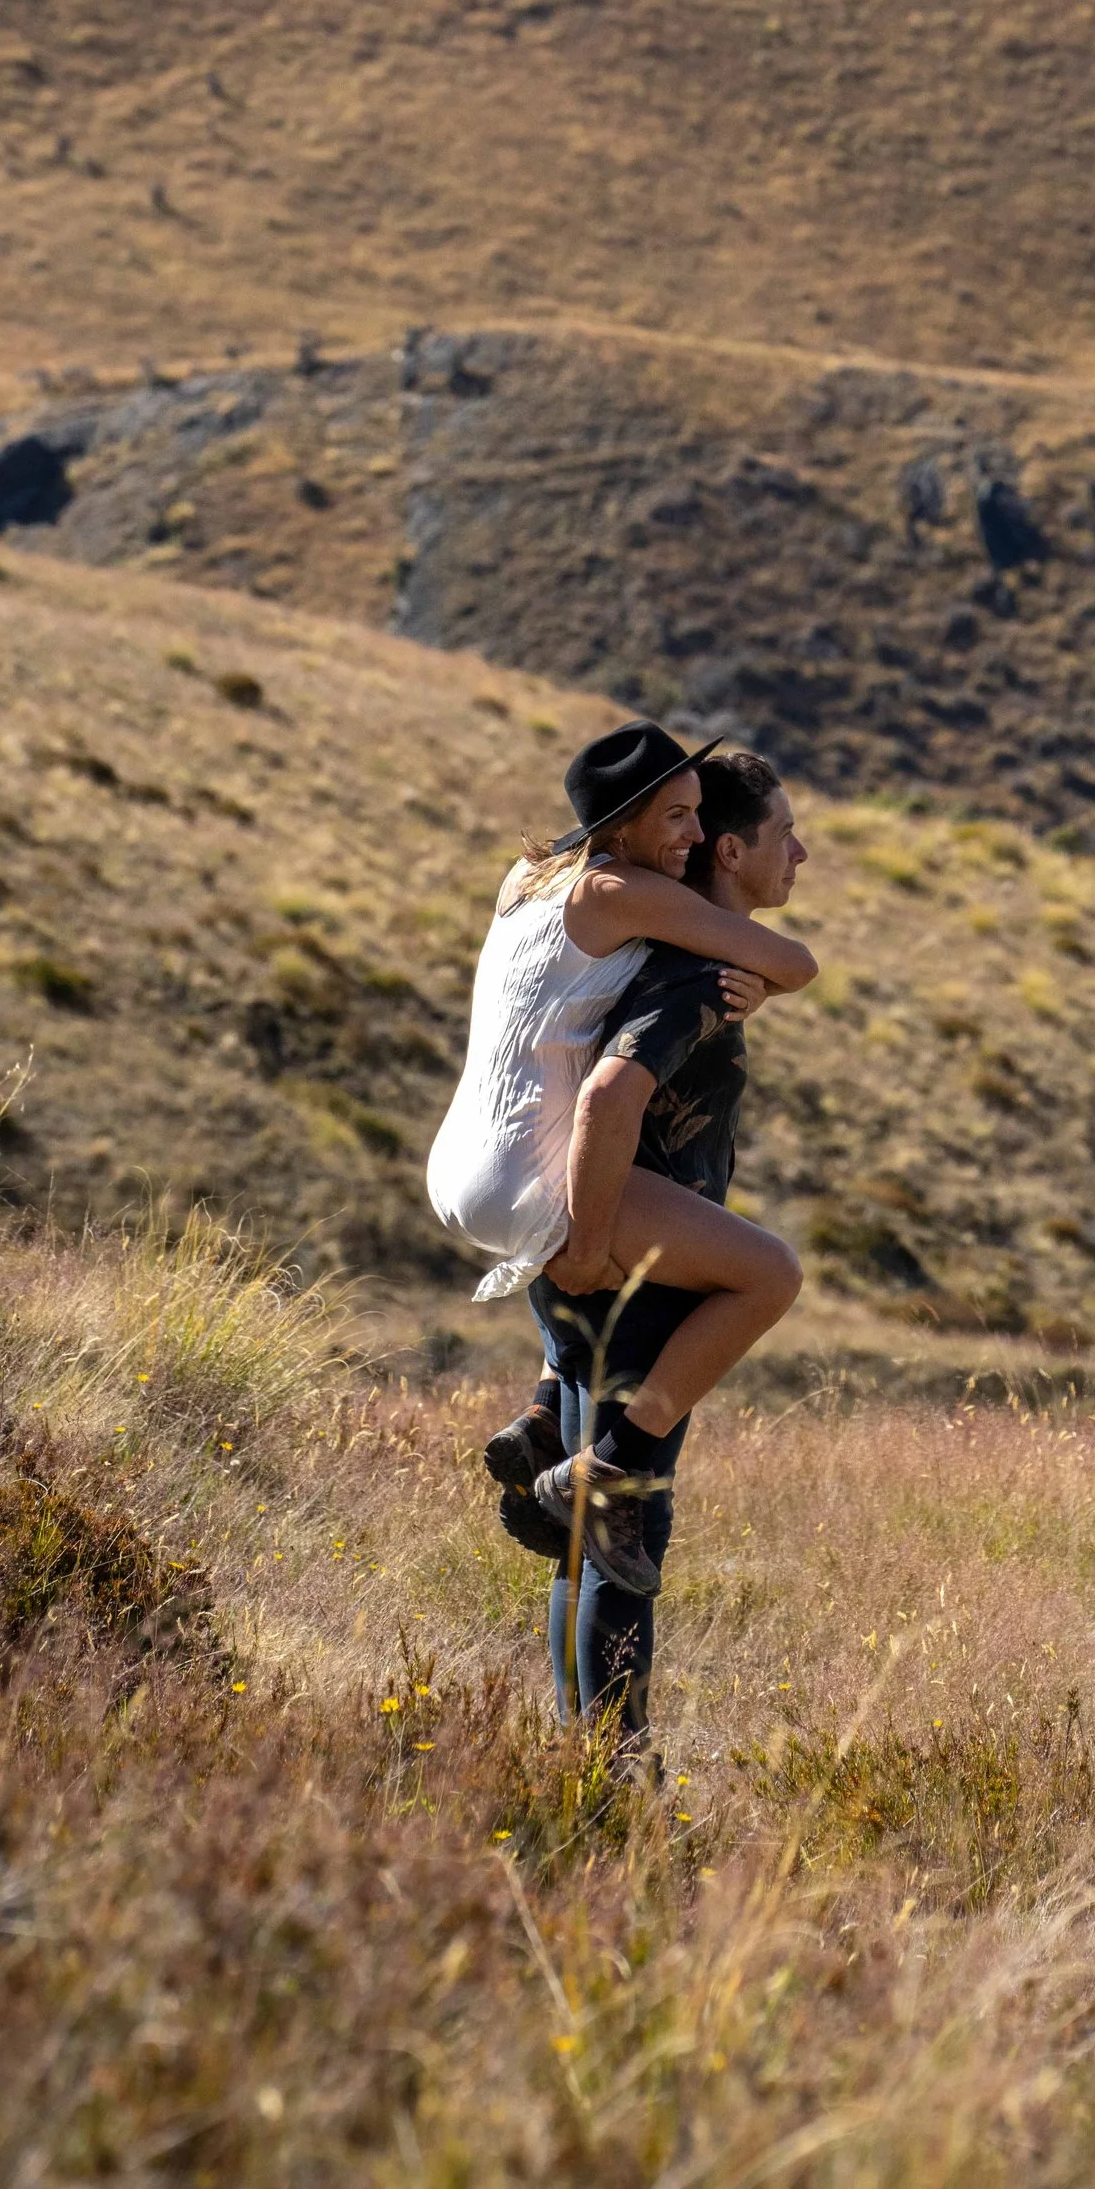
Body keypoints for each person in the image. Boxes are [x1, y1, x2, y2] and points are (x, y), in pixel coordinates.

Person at [502, 748, 807, 1734]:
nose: (801, 852)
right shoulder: (693, 978)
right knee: (626, 1529)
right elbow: (612, 1094)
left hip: (590, 1255)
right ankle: (613, 1778)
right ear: (729, 850)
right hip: (634, 1275)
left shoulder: (667, 956)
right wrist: (598, 1246)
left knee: (585, 1534)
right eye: (783, 835)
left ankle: (576, 1756)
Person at [427, 714, 813, 1398]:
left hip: (455, 1167)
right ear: (624, 826)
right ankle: (622, 1457)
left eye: (697, 814)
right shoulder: (622, 892)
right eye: (676, 817)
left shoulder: (527, 876)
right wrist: (753, 985)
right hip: (525, 1175)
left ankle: (548, 1411)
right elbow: (795, 961)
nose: (695, 838)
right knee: (766, 1272)